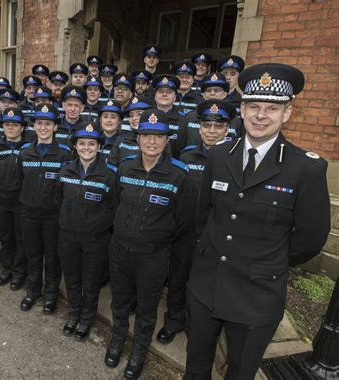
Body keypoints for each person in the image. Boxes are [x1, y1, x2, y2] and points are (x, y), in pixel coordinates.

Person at [185, 63, 331, 379]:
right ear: (242, 109)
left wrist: (267, 261)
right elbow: (204, 213)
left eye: (272, 108)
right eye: (253, 106)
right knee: (196, 367)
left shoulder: (306, 169)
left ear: (287, 113)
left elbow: (310, 239)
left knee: (240, 372)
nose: (261, 115)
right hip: (206, 284)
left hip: (256, 295)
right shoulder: (220, 156)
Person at [105, 109, 193, 379]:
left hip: (153, 255)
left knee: (146, 306)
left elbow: (184, 222)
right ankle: (117, 338)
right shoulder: (125, 166)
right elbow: (115, 204)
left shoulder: (180, 175)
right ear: (138, 138)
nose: (151, 142)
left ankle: (139, 350)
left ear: (167, 140)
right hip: (120, 249)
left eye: (158, 136)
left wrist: (157, 238)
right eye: (146, 136)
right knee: (119, 299)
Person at [156, 99, 236, 345]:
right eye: (207, 125)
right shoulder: (186, 155)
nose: (212, 131)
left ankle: (196, 325)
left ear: (226, 130)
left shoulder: (234, 160)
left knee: (203, 284)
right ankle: (174, 320)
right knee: (178, 277)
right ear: (199, 128)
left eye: (218, 126)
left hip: (215, 235)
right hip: (185, 231)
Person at [58, 120, 116, 341]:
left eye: (92, 144)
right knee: (72, 278)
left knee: (90, 282)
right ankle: (73, 314)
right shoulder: (65, 171)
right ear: (75, 146)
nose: (86, 148)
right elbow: (59, 200)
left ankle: (86, 318)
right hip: (68, 237)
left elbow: (114, 207)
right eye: (81, 143)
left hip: (95, 241)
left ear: (99, 147)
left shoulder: (109, 175)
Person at [19, 103, 72, 314]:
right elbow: (18, 181)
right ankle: (33, 291)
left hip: (52, 215)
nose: (43, 127)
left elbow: (67, 187)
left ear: (55, 127)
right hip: (29, 213)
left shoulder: (64, 154)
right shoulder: (24, 152)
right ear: (34, 126)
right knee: (33, 254)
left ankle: (50, 294)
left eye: (47, 123)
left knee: (52, 256)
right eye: (39, 123)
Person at [0, 108, 29, 291]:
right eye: (7, 124)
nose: (11, 128)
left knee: (21, 237)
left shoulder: (29, 148)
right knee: (5, 236)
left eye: (15, 125)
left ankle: (19, 272)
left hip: (20, 200)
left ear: (22, 128)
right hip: (0, 199)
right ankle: (7, 268)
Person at [182, 72, 243, 146]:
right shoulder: (190, 117)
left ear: (225, 94)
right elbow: (181, 145)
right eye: (208, 90)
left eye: (217, 90)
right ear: (203, 94)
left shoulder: (234, 121)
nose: (212, 93)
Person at [107, 96, 155, 166]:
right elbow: (111, 168)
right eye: (131, 115)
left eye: (139, 114)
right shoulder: (121, 140)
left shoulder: (158, 141)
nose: (134, 118)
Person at [152, 74, 188, 158]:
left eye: (169, 92)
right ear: (155, 96)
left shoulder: (183, 120)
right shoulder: (145, 117)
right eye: (160, 91)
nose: (164, 94)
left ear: (175, 97)